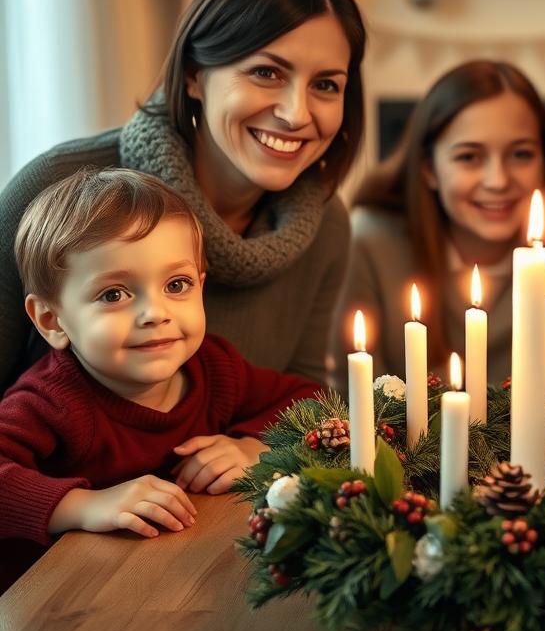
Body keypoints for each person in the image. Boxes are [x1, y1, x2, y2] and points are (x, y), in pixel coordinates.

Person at [0, 0, 365, 391]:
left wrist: (261, 448)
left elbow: (301, 398)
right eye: (266, 73)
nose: (296, 114)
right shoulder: (51, 188)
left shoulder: (327, 228)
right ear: (194, 74)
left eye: (326, 84)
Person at [0, 168, 319, 591]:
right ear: (52, 320)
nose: (155, 313)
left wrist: (252, 446)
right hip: (57, 610)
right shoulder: (50, 402)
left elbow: (310, 401)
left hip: (174, 585)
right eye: (113, 294)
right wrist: (83, 506)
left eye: (177, 284)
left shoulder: (213, 368)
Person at [332, 60, 545, 384]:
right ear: (429, 169)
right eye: (469, 157)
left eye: (521, 154)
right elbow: (346, 399)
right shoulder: (370, 244)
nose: (498, 181)